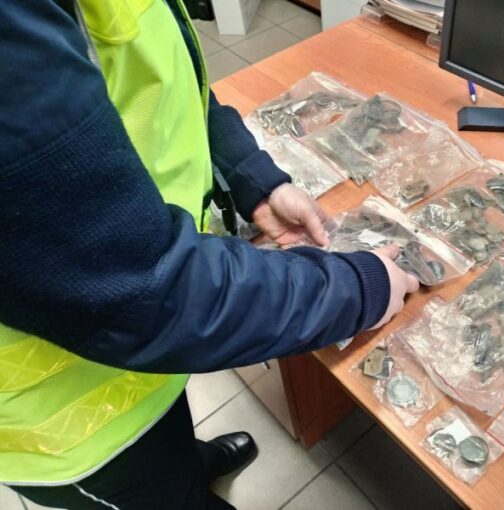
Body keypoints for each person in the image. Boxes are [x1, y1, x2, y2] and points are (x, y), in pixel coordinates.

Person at [0, 1, 420, 509]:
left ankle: (188, 464)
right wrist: (361, 287)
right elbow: (144, 292)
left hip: (138, 354)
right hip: (69, 424)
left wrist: (251, 178)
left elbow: (163, 84)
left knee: (171, 447)